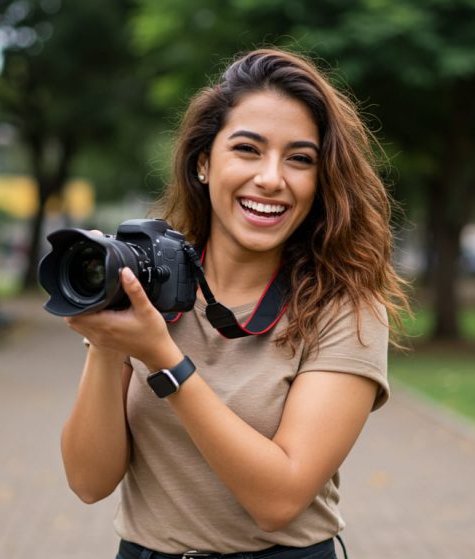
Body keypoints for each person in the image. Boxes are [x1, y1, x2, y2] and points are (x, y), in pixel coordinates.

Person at [60, 48, 409, 559]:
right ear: (204, 163)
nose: (271, 178)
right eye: (248, 149)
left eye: (300, 158)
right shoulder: (152, 287)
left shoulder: (344, 309)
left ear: (321, 180)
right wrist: (107, 340)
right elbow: (89, 481)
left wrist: (163, 360)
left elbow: (279, 498)